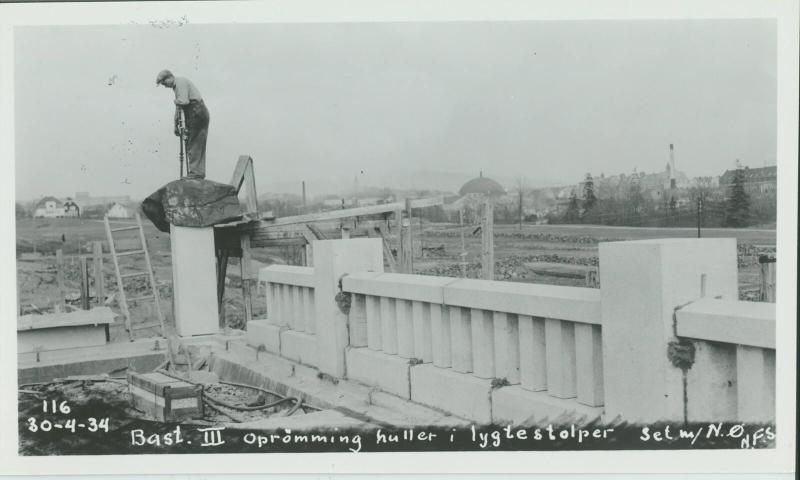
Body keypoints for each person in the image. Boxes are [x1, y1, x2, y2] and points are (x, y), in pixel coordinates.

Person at [155, 70, 210, 179]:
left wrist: (175, 102)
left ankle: (196, 173)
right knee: (193, 142)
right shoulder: (176, 87)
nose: (165, 86)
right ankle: (196, 172)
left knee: (194, 142)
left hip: (196, 111)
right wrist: (176, 123)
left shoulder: (180, 83)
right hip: (194, 112)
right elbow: (179, 107)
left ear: (169, 77)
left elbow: (183, 101)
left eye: (164, 83)